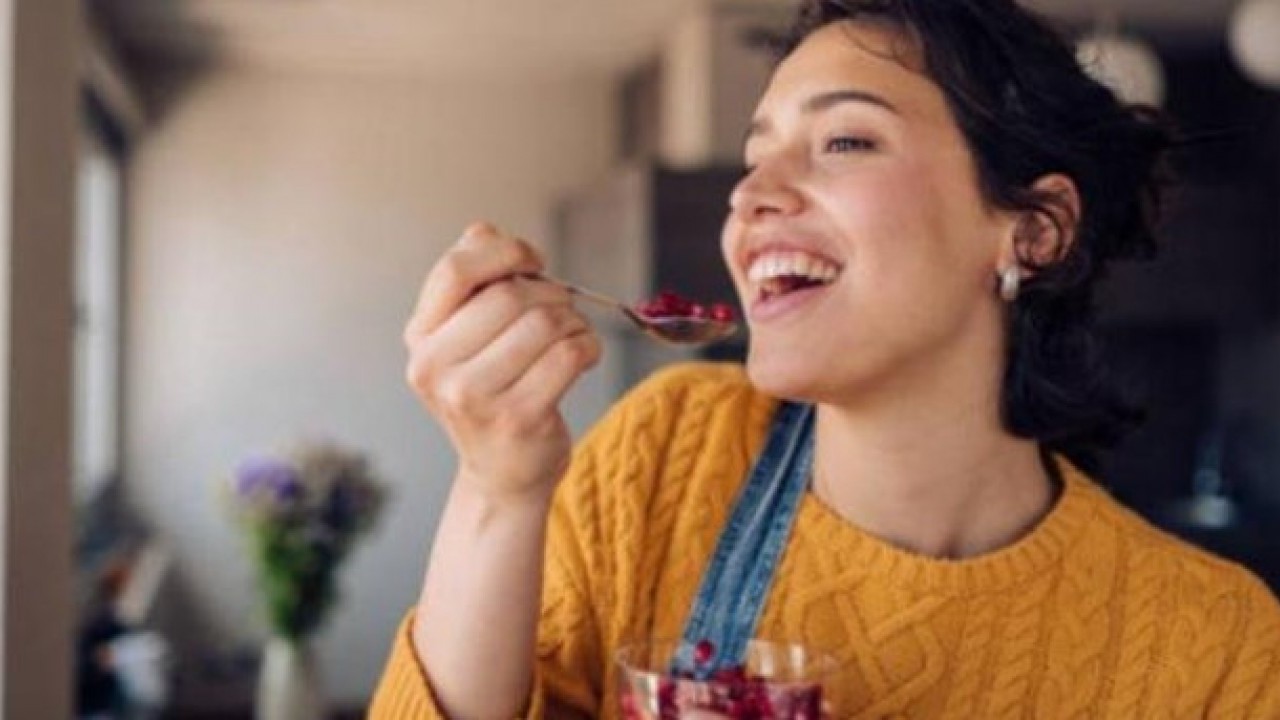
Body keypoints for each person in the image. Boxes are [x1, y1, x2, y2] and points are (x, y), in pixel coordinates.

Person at [371, 0, 1280, 717]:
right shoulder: (665, 454)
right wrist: (497, 489)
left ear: (1034, 230)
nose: (750, 197)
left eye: (844, 141)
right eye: (753, 157)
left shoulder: (1221, 648)